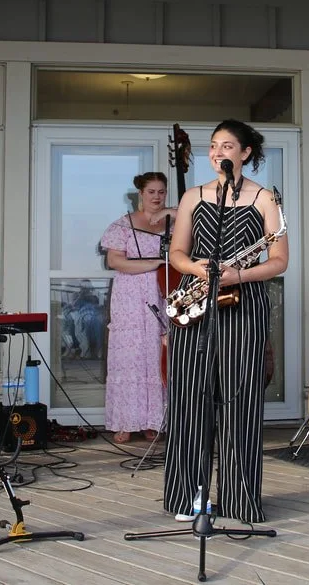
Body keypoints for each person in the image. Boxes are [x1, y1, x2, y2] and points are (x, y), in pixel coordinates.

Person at [163, 119, 289, 523]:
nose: (218, 152)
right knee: (189, 402)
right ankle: (188, 498)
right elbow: (176, 254)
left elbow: (279, 261)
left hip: (245, 303)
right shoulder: (193, 196)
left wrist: (239, 275)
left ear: (246, 153)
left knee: (240, 402)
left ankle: (239, 499)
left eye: (228, 145)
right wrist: (199, 270)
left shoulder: (266, 199)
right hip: (194, 306)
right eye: (214, 145)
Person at [99, 171, 176, 444]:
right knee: (129, 358)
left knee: (157, 356)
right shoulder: (122, 226)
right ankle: (125, 422)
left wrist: (170, 212)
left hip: (162, 291)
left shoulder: (172, 223)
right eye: (151, 192)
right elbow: (116, 262)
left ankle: (154, 421)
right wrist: (154, 264)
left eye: (161, 192)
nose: (156, 196)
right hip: (130, 295)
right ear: (140, 194)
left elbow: (191, 239)